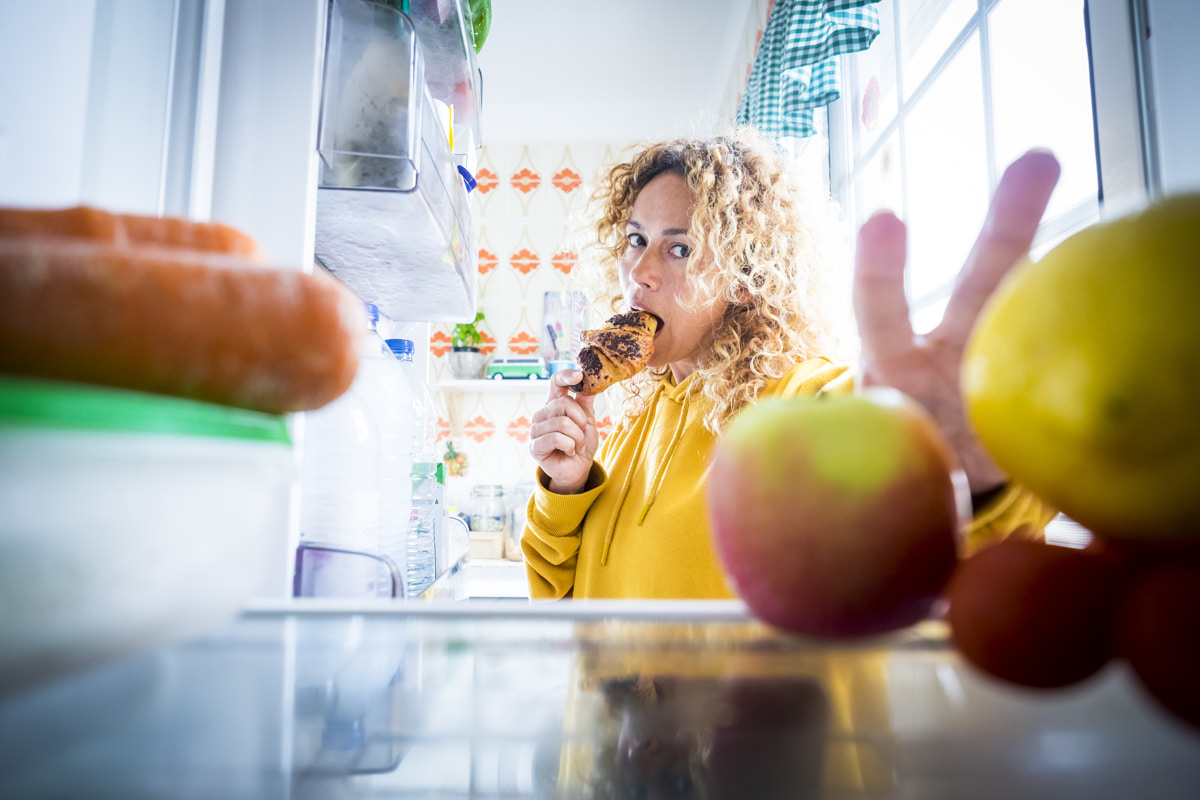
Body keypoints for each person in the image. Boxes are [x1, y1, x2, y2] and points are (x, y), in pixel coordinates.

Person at [522, 126, 1061, 600]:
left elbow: (945, 556)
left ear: (745, 278)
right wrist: (566, 487)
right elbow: (561, 603)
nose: (639, 269)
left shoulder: (806, 401)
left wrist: (962, 468)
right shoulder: (625, 433)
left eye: (679, 248)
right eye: (636, 239)